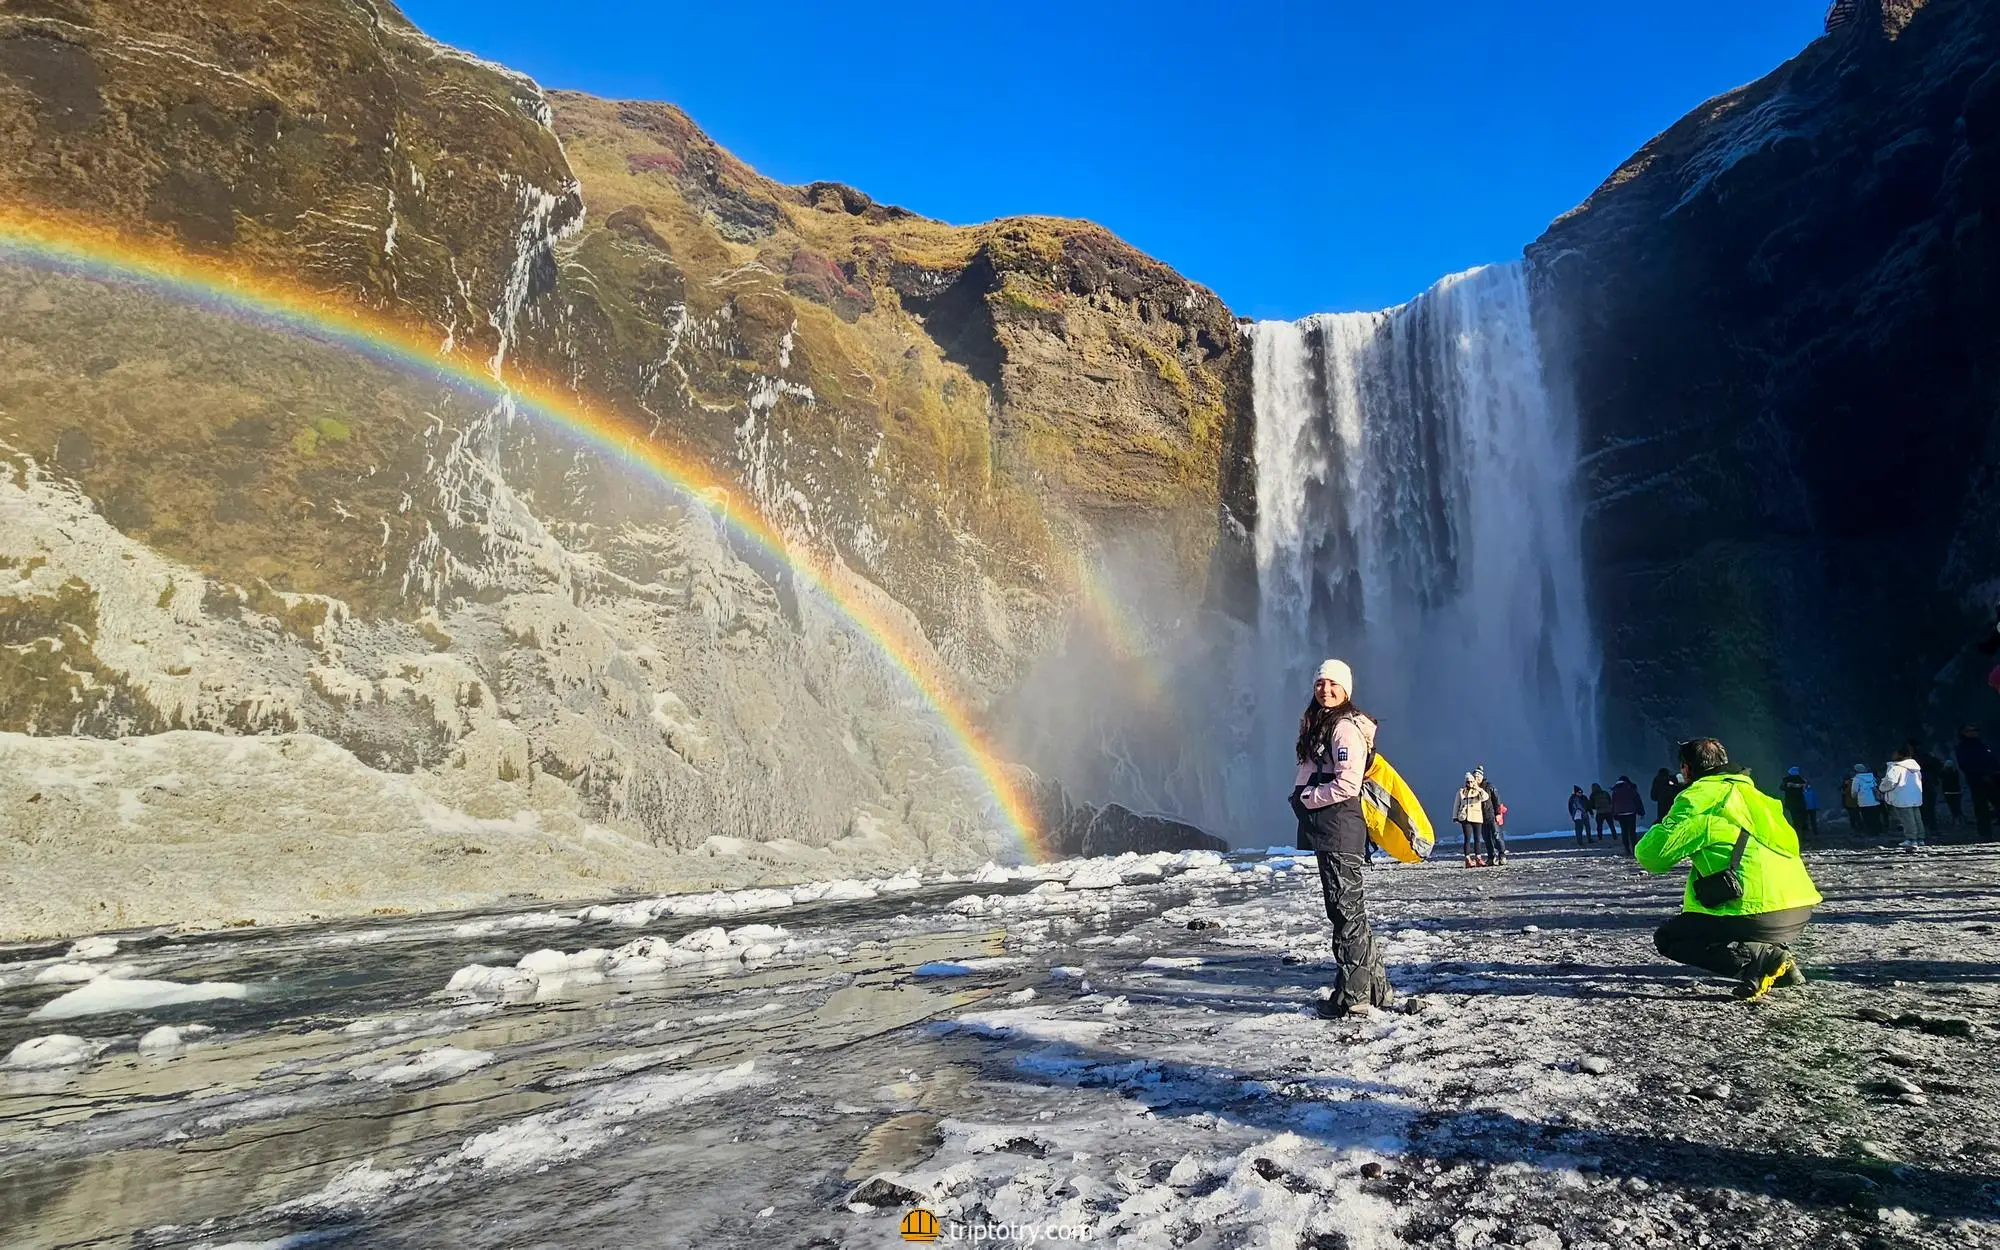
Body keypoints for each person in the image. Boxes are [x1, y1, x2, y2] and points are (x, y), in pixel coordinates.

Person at [1637, 738, 1822, 1001]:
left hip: (1753, 911)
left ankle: (1757, 963)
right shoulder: (1760, 797)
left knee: (1670, 938)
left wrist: (1665, 823)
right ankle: (1780, 965)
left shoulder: (1697, 798)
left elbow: (1651, 857)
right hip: (1797, 907)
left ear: (1687, 769)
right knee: (1742, 918)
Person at [1289, 658, 1392, 1018]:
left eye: (1334, 684)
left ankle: (1354, 997)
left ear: (1346, 689)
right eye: (1320, 683)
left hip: (1338, 827)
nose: (1326, 690)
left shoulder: (1344, 728)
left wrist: (1308, 798)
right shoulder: (1324, 724)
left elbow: (1347, 783)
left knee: (1346, 913)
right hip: (1330, 829)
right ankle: (1377, 990)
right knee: (1349, 912)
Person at [1956, 725, 1997, 841]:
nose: (1974, 733)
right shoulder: (1963, 748)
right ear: (1964, 733)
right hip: (1977, 781)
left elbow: (1993, 760)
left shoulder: (1983, 745)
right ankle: (1985, 833)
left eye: (1975, 730)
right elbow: (1965, 765)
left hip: (1993, 779)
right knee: (1981, 807)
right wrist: (1982, 775)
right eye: (1970, 730)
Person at [1881, 745, 1925, 851]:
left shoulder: (1896, 767)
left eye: (1895, 753)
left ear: (1900, 755)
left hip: (1902, 797)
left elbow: (1890, 781)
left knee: (1907, 818)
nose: (1893, 755)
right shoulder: (1915, 767)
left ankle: (1911, 839)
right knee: (1916, 817)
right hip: (1915, 796)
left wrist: (1882, 788)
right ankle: (1920, 838)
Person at [1474, 766, 1507, 867]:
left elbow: (1496, 800)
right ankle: (1491, 857)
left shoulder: (1489, 786)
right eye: (1475, 776)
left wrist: (1498, 813)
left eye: (1478, 776)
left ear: (1482, 776)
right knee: (1486, 838)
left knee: (1496, 835)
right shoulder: (1473, 788)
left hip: (1491, 815)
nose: (1477, 778)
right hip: (1480, 817)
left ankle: (1502, 855)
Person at [1455, 773, 1487, 867]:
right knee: (1467, 838)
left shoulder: (1478, 791)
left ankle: (1478, 858)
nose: (1470, 783)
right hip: (1465, 817)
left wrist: (1477, 788)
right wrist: (1455, 817)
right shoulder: (1461, 792)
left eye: (1471, 781)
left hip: (1476, 817)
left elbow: (1485, 797)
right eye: (1468, 782)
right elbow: (1456, 804)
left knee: (1477, 838)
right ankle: (1467, 859)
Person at [1610, 775, 1644, 855]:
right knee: (1632, 832)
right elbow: (1637, 800)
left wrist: (1614, 814)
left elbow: (1613, 803)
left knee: (1624, 831)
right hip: (1631, 812)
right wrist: (1641, 811)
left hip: (1620, 814)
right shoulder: (1630, 788)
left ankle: (1627, 849)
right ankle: (1635, 849)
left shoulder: (1615, 790)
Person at [1914, 744, 1943, 837]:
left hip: (1922, 786)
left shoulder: (1914, 760)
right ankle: (1931, 827)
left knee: (1923, 808)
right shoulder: (1929, 758)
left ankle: (1925, 828)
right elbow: (1939, 765)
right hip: (1929, 785)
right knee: (1929, 808)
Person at [1847, 764, 1881, 835]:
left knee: (1867, 817)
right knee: (1875, 817)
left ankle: (1870, 832)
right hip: (1874, 801)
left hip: (1864, 802)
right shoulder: (1871, 776)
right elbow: (1876, 787)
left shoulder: (1857, 779)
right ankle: (1877, 831)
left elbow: (1854, 791)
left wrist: (1855, 797)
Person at [1780, 767, 1810, 835]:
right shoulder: (1801, 780)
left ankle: (1796, 831)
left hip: (1791, 802)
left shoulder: (1787, 780)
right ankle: (1801, 831)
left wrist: (1788, 785)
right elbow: (1807, 789)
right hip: (1799, 802)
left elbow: (1781, 787)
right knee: (1801, 817)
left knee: (1795, 818)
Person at [1940, 756, 1964, 831]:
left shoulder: (1943, 773)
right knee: (1957, 806)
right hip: (1957, 791)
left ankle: (1956, 819)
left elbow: (1941, 782)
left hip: (1947, 792)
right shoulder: (1955, 772)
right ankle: (1960, 819)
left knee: (1952, 806)